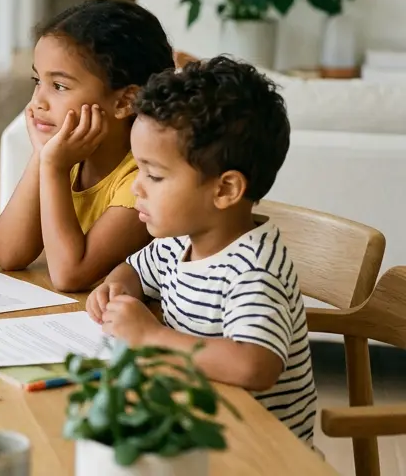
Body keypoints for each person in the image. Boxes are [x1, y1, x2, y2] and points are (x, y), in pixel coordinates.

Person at [86, 56, 318, 446]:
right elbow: (133, 271)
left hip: (259, 456)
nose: (136, 187)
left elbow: (253, 366)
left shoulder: (254, 272)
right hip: (196, 429)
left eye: (154, 175)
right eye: (138, 170)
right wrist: (116, 288)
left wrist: (150, 336)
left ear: (225, 190)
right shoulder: (179, 241)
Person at [0, 0, 173, 291]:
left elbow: (69, 275)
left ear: (125, 101)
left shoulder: (142, 182)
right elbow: (10, 254)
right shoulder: (69, 157)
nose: (38, 100)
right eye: (37, 80)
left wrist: (52, 166)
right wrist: (42, 156)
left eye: (59, 86)